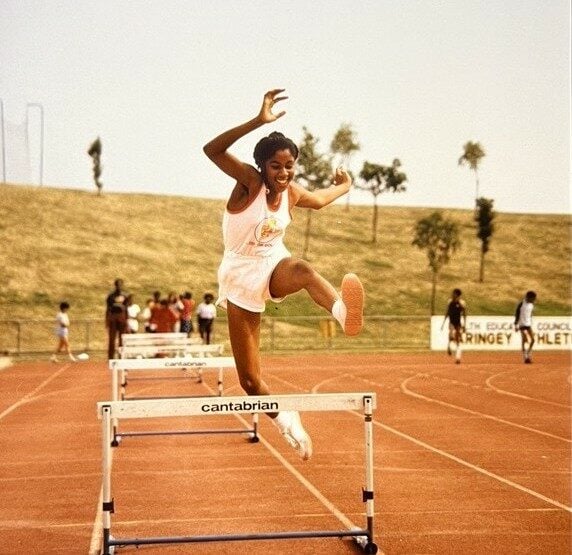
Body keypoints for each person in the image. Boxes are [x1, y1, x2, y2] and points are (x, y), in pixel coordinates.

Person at [203, 88, 364, 461]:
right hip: (240, 274)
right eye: (276, 166)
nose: (284, 173)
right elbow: (211, 150)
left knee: (304, 269)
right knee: (249, 381)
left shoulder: (290, 192)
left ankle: (343, 314)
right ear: (262, 166)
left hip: (273, 264)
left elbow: (321, 200)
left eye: (290, 166)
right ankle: (285, 419)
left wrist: (346, 185)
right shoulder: (250, 183)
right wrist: (258, 121)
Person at [441, 288, 467, 364]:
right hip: (451, 321)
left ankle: (458, 357)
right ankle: (449, 347)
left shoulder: (462, 303)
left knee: (457, 339)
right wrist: (443, 323)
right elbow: (447, 312)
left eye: (454, 293)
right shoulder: (450, 302)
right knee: (451, 333)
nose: (452, 295)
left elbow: (464, 313)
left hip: (458, 322)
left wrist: (465, 325)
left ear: (457, 295)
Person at [105, 278, 128, 359]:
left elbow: (126, 308)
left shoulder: (125, 296)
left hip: (122, 318)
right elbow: (107, 309)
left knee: (122, 339)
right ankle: (110, 358)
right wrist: (107, 321)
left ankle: (121, 356)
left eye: (120, 285)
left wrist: (126, 320)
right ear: (115, 286)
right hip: (113, 318)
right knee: (112, 339)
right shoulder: (111, 296)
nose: (119, 287)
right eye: (117, 285)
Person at [514, 290, 537, 363]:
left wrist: (531, 322)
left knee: (533, 340)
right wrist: (516, 325)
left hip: (528, 325)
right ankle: (525, 356)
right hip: (521, 325)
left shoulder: (531, 305)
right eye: (532, 298)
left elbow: (530, 314)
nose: (533, 300)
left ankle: (528, 352)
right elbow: (517, 314)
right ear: (528, 297)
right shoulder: (521, 304)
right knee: (524, 339)